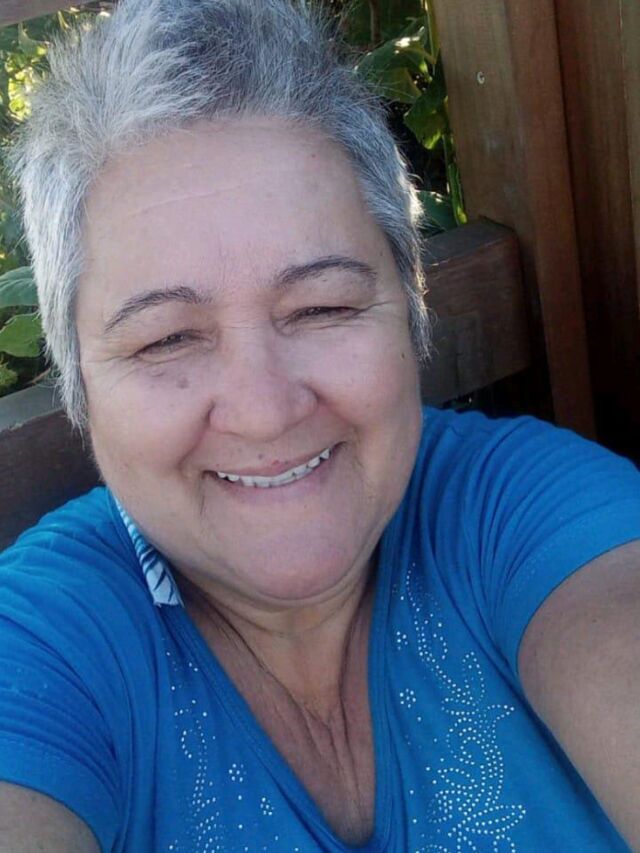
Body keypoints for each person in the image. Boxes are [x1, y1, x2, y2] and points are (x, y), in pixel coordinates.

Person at [0, 0, 639, 850]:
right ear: (82, 382)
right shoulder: (43, 644)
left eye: (322, 306)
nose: (265, 409)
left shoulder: (523, 512)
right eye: (167, 339)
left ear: (409, 310)